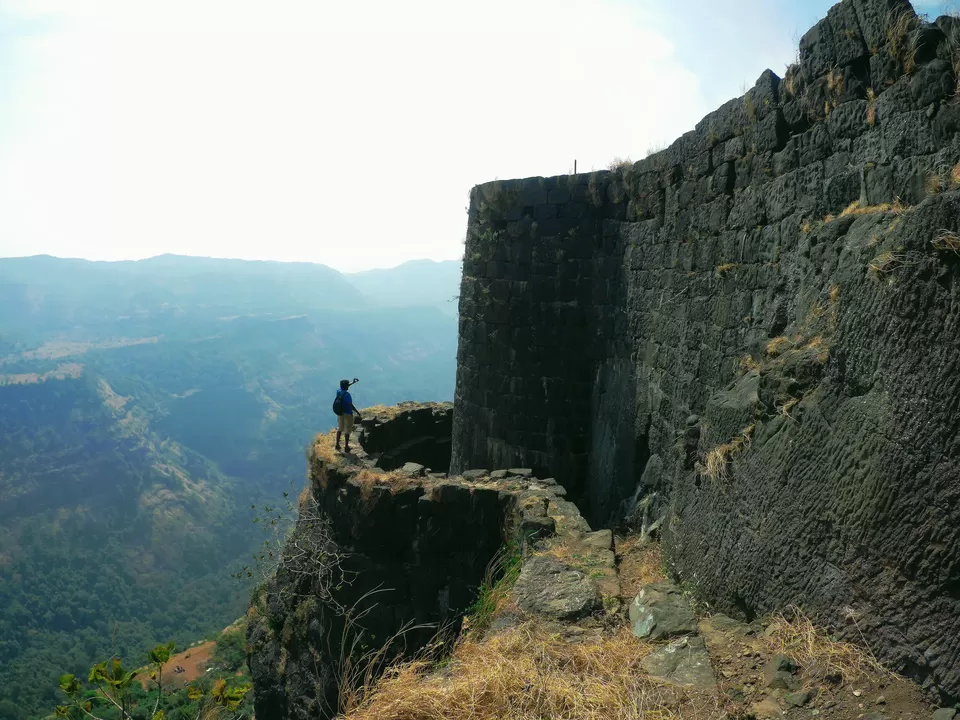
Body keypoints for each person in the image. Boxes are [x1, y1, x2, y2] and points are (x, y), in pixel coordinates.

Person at [335, 378, 362, 453]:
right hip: (347, 414)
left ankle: (337, 444)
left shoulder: (339, 391)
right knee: (347, 430)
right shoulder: (347, 395)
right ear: (346, 386)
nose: (348, 386)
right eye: (348, 385)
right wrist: (357, 412)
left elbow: (344, 387)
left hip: (340, 413)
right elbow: (350, 405)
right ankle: (346, 447)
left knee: (340, 428)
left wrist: (353, 383)